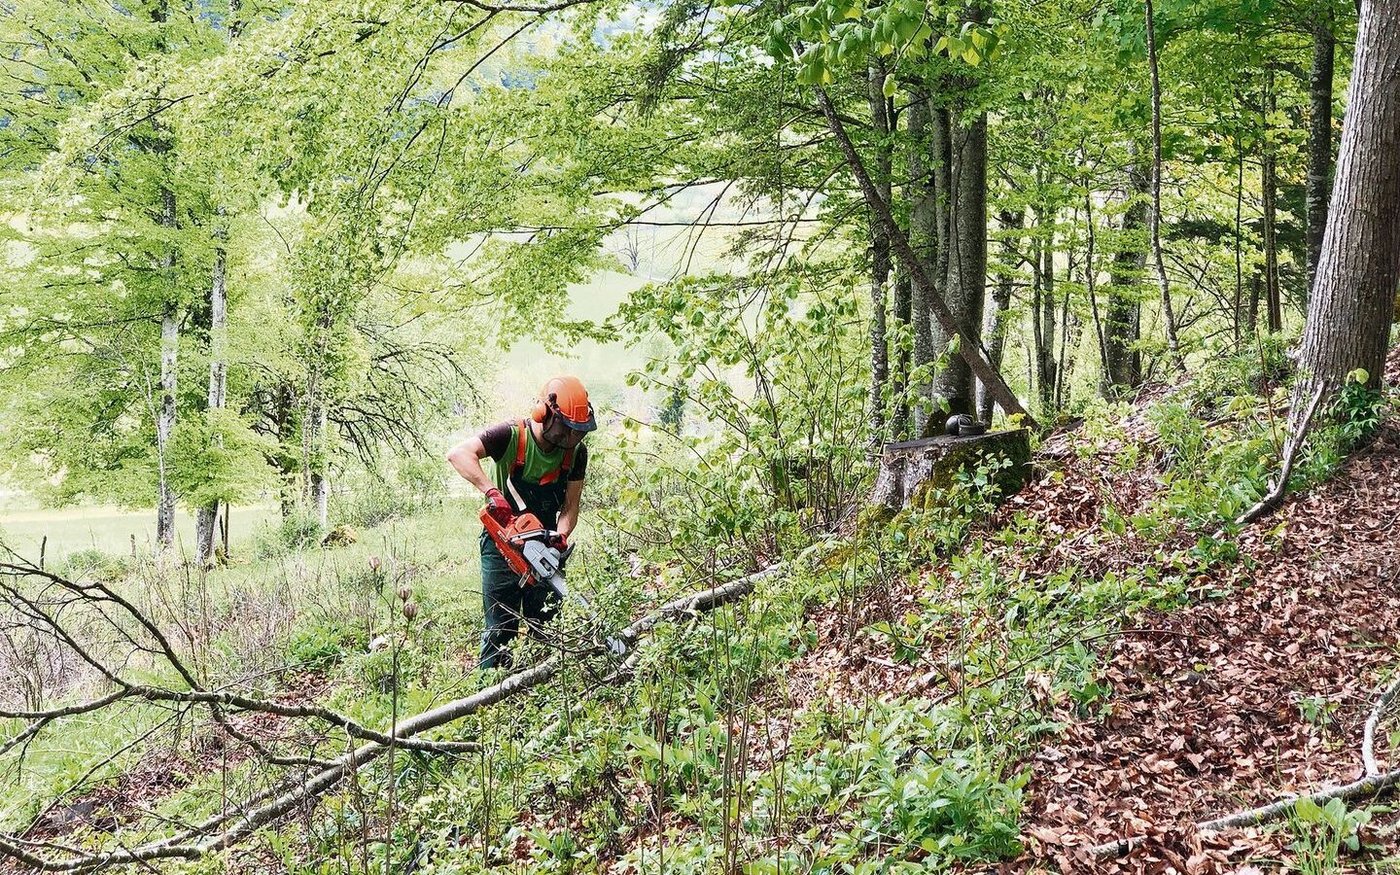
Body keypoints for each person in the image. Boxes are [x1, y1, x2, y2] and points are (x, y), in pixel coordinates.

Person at [447, 375, 595, 669]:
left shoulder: (576, 452)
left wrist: (560, 537)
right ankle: (492, 696)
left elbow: (570, 507)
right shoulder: (511, 435)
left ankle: (546, 689)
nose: (573, 438)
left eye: (578, 431)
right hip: (501, 544)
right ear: (545, 413)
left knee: (548, 624)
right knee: (500, 627)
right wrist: (491, 492)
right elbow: (458, 454)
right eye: (567, 429)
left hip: (544, 542)